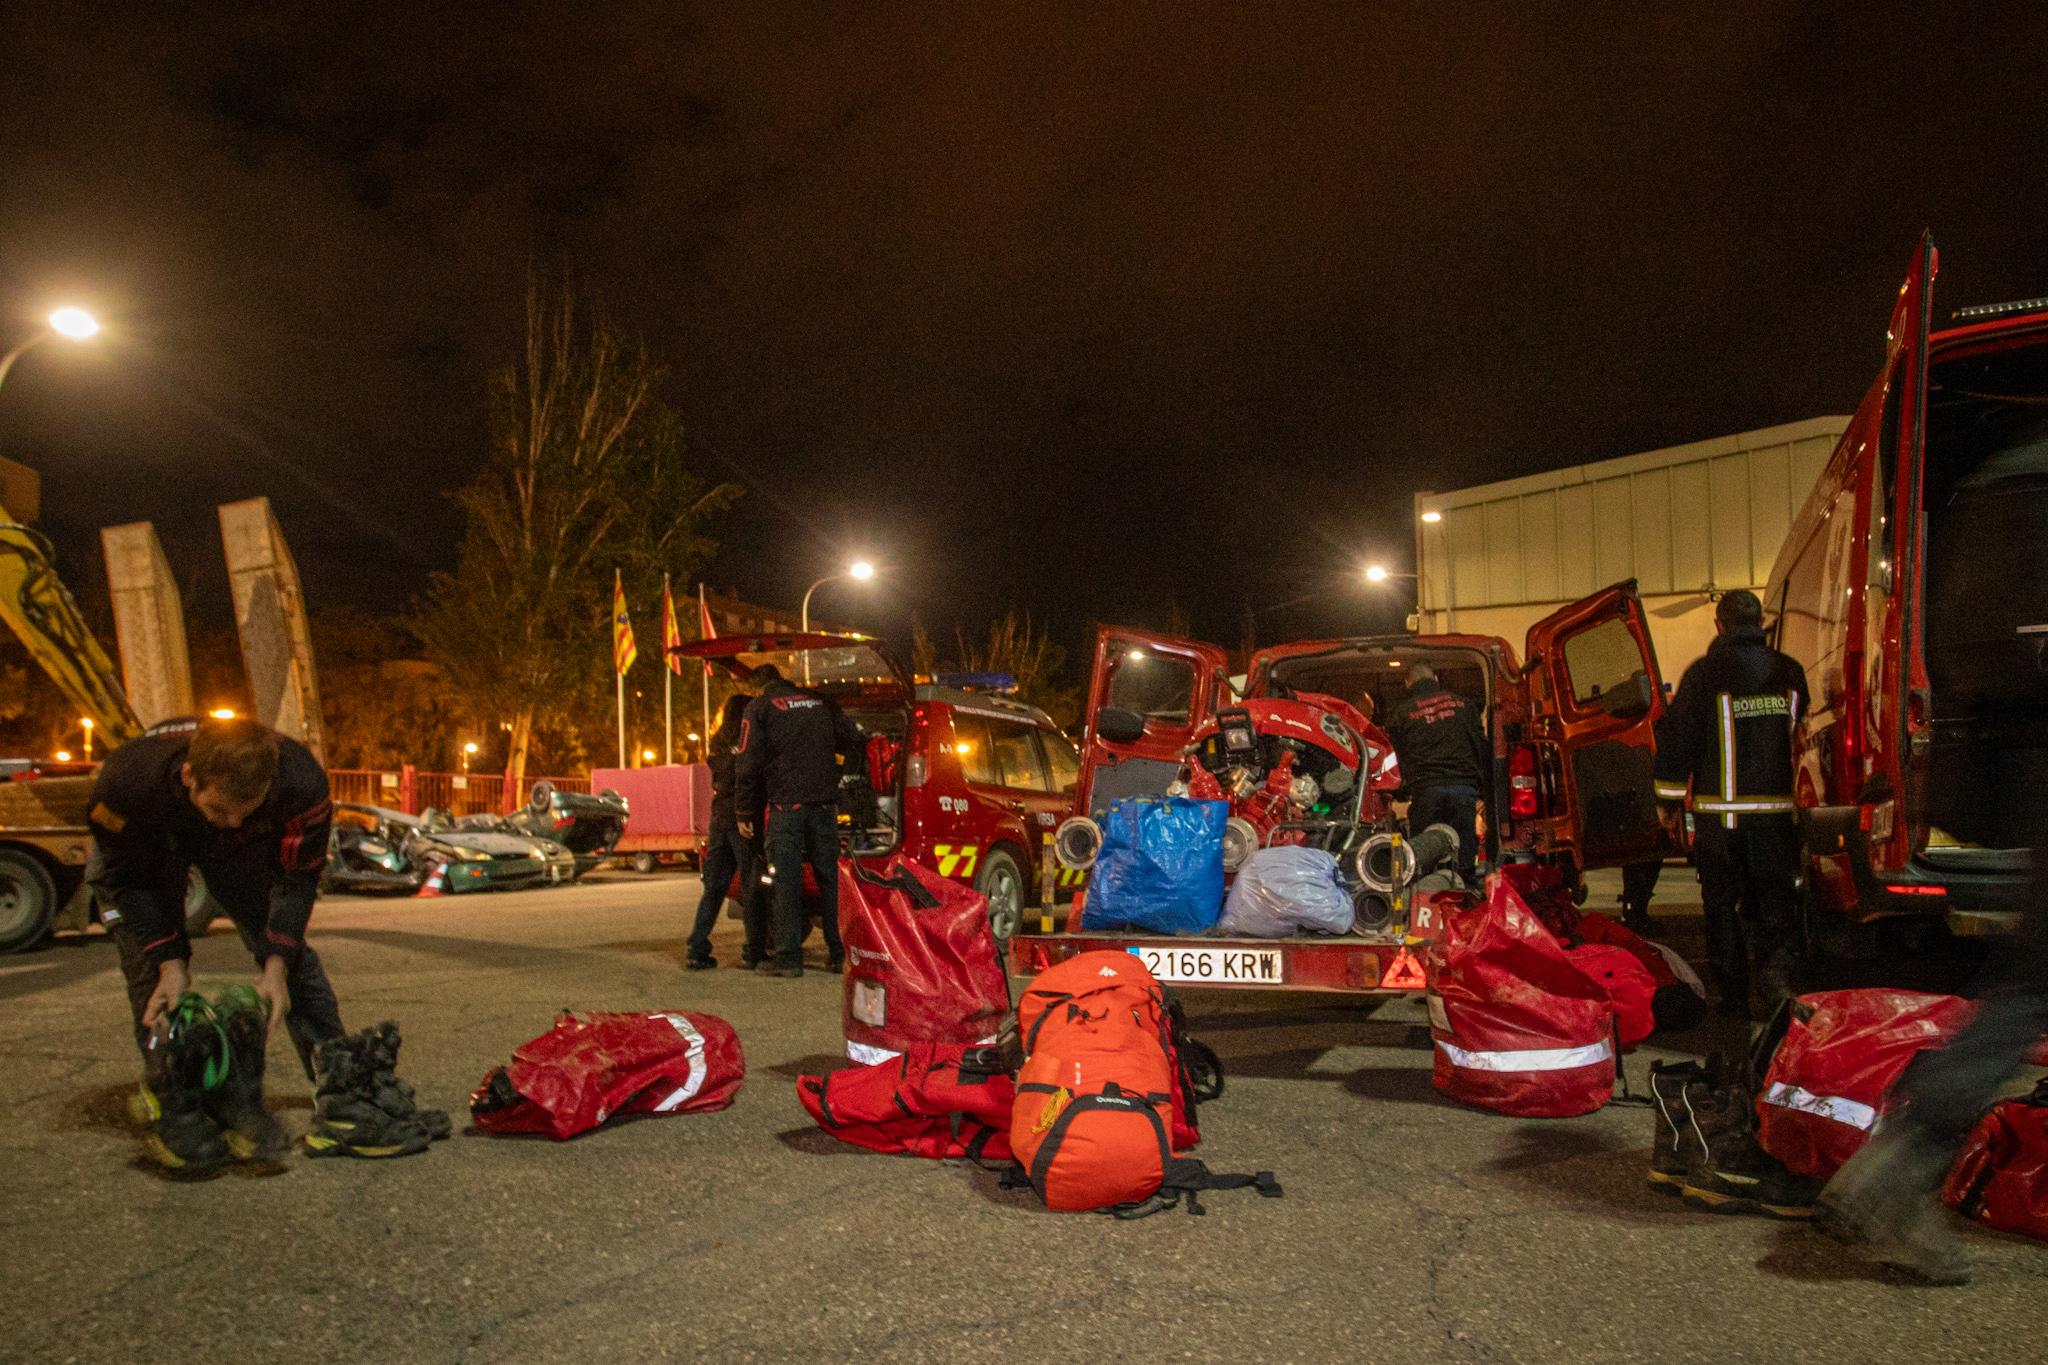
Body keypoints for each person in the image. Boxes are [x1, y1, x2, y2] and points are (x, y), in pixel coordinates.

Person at [88, 715, 341, 1170]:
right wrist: (169, 959)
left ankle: (340, 1086)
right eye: (222, 810)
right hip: (150, 845)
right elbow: (130, 884)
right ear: (189, 776)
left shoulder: (301, 785)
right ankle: (173, 1096)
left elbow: (297, 880)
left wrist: (276, 963)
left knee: (289, 958)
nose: (233, 821)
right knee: (155, 977)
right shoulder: (126, 784)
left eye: (248, 809)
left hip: (238, 853)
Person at [1650, 589, 1808, 1018]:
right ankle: (1778, 984)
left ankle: (1734, 998)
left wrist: (1666, 802)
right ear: (1761, 625)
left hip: (1721, 822)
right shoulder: (1790, 672)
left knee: (1723, 906)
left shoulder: (1704, 675)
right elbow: (1800, 734)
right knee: (1776, 903)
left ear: (1719, 625)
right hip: (1777, 818)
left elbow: (1678, 740)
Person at [735, 663, 865, 977]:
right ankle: (838, 955)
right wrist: (844, 779)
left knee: (786, 883)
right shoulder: (820, 702)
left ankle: (789, 959)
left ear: (758, 686)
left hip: (787, 811)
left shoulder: (760, 707)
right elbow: (856, 740)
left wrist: (743, 812)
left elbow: (747, 762)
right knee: (830, 883)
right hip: (824, 808)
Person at [684, 693, 768, 970]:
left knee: (714, 887)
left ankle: (697, 947)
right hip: (742, 818)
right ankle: (754, 951)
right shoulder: (747, 743)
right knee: (751, 885)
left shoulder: (717, 744)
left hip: (718, 817)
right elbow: (749, 779)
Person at [1383, 664, 1488, 882]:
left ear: (1408, 683)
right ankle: (1465, 892)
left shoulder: (1402, 713)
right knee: (1465, 847)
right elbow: (1481, 744)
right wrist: (1482, 782)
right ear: (1436, 678)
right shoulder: (1463, 704)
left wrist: (1399, 790)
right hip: (1463, 787)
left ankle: (1428, 895)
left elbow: (1394, 755)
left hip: (1426, 790)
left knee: (1424, 853)